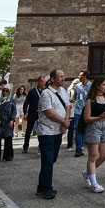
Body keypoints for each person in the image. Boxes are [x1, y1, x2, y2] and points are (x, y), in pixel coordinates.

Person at [35, 69, 71, 199]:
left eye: (63, 76)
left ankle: (41, 186)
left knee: (51, 160)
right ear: (53, 79)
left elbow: (67, 106)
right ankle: (47, 189)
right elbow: (48, 112)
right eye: (60, 77)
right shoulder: (46, 93)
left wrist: (65, 120)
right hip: (47, 131)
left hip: (58, 131)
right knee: (48, 160)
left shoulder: (63, 92)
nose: (62, 79)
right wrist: (63, 121)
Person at [81, 77, 105, 193]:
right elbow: (87, 118)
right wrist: (99, 117)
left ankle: (88, 172)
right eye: (104, 84)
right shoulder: (90, 100)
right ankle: (94, 183)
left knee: (104, 155)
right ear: (98, 86)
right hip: (93, 127)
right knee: (93, 155)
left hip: (104, 126)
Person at [0, 85, 17, 162]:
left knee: (8, 139)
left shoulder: (12, 100)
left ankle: (8, 156)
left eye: (7, 91)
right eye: (3, 91)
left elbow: (14, 111)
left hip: (8, 122)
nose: (5, 92)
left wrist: (12, 120)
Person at [68, 71, 91, 156]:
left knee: (88, 130)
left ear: (85, 76)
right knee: (78, 130)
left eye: (80, 75)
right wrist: (72, 100)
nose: (79, 77)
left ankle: (90, 147)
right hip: (78, 111)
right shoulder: (77, 86)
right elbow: (75, 96)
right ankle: (78, 149)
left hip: (87, 111)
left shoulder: (91, 86)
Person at [22, 77, 42, 153]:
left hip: (40, 113)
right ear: (38, 82)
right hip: (32, 112)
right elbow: (26, 102)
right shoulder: (32, 91)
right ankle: (25, 146)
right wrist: (25, 113)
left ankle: (40, 147)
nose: (42, 84)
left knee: (40, 131)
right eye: (41, 82)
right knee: (28, 130)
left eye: (44, 82)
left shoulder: (44, 91)